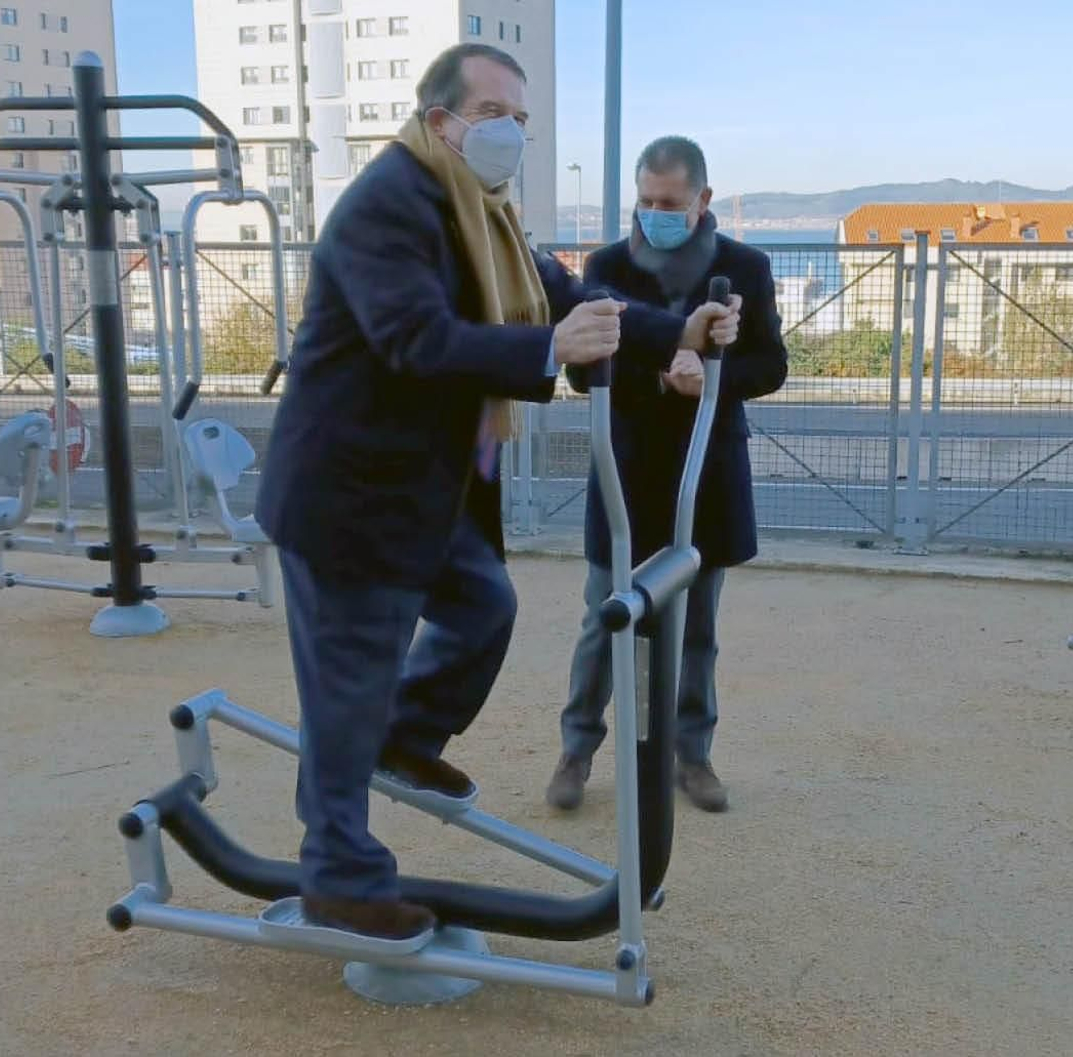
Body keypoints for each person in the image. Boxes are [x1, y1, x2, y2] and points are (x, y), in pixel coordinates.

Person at [255, 47, 741, 943]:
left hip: (420, 489)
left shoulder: (480, 204)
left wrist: (681, 329)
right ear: (439, 120)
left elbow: (569, 293)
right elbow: (414, 340)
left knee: (484, 604)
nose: (510, 132)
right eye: (492, 113)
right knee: (346, 689)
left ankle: (405, 733)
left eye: (520, 118)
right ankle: (339, 876)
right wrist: (548, 351)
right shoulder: (387, 205)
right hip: (349, 495)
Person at [545, 135, 788, 815]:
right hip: (624, 466)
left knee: (696, 623)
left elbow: (770, 366)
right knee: (602, 617)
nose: (655, 212)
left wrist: (710, 377)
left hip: (705, 469)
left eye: (670, 203)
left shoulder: (746, 267)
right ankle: (576, 750)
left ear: (702, 200)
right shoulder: (607, 265)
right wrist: (658, 371)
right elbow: (577, 367)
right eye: (646, 201)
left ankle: (694, 754)